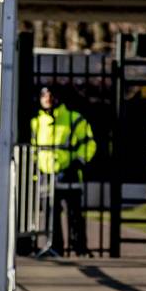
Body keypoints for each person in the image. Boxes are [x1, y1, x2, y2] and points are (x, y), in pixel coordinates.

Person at [31, 85, 97, 256]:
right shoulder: (36, 123)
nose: (48, 98)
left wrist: (79, 161)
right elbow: (32, 149)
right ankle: (55, 247)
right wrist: (35, 169)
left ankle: (80, 248)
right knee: (50, 214)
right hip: (46, 174)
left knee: (74, 213)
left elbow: (89, 143)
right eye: (44, 95)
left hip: (69, 172)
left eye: (50, 95)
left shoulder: (74, 119)